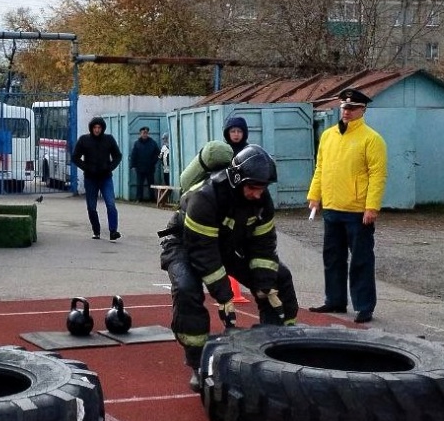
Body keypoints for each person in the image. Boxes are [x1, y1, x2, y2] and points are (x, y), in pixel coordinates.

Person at [160, 145, 299, 392]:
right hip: (184, 243)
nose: (258, 194)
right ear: (237, 180)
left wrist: (264, 285)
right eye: (253, 188)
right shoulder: (206, 197)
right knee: (187, 288)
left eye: (263, 188)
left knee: (280, 278)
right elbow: (202, 251)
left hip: (226, 244)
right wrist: (223, 295)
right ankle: (197, 362)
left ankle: (279, 344)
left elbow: (263, 247)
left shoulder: (261, 201)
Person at [307, 88, 387, 324]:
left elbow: (377, 175)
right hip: (332, 206)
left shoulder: (371, 139)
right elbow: (321, 168)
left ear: (363, 110)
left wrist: (371, 207)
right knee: (333, 257)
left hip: (357, 211)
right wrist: (315, 195)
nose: (347, 112)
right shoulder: (329, 135)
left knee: (361, 260)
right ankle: (335, 299)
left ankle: (364, 306)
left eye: (352, 108)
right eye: (344, 107)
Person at [71, 116, 123, 240]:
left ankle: (113, 231)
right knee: (91, 206)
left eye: (99, 127)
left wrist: (110, 167)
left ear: (102, 128)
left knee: (110, 204)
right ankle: (96, 230)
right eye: (95, 127)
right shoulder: (84, 140)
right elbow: (75, 157)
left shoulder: (109, 140)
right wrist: (86, 167)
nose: (97, 130)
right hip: (90, 178)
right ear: (91, 128)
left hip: (105, 177)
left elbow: (118, 156)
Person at [129, 126, 160, 202]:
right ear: (140, 133)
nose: (144, 134)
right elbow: (133, 155)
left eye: (146, 133)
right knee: (139, 184)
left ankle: (152, 199)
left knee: (151, 184)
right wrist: (132, 165)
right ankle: (139, 198)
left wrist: (153, 161)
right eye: (143, 133)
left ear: (147, 133)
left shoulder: (152, 143)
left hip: (150, 167)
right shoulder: (137, 143)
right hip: (140, 168)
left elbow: (158, 153)